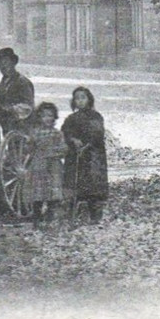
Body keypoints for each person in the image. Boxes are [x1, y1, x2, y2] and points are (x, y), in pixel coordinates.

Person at [62, 86, 109, 223]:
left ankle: (95, 214)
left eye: (83, 98)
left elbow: (97, 134)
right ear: (73, 101)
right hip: (75, 154)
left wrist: (86, 145)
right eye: (77, 98)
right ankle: (73, 211)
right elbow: (65, 132)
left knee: (92, 185)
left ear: (89, 99)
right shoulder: (71, 118)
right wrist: (72, 140)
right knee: (73, 182)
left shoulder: (96, 116)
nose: (80, 101)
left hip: (92, 155)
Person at [24, 102, 66, 226]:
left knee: (53, 192)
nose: (48, 118)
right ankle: (36, 217)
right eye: (45, 116)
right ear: (40, 118)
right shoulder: (35, 133)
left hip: (53, 166)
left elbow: (63, 149)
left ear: (55, 117)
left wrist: (55, 152)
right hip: (38, 166)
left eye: (50, 116)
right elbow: (29, 149)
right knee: (38, 192)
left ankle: (50, 216)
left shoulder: (57, 133)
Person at [0, 47, 35, 139]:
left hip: (22, 126)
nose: (3, 66)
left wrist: (8, 108)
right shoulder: (4, 82)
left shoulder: (23, 82)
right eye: (0, 63)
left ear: (13, 63)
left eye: (6, 62)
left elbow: (27, 106)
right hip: (8, 124)